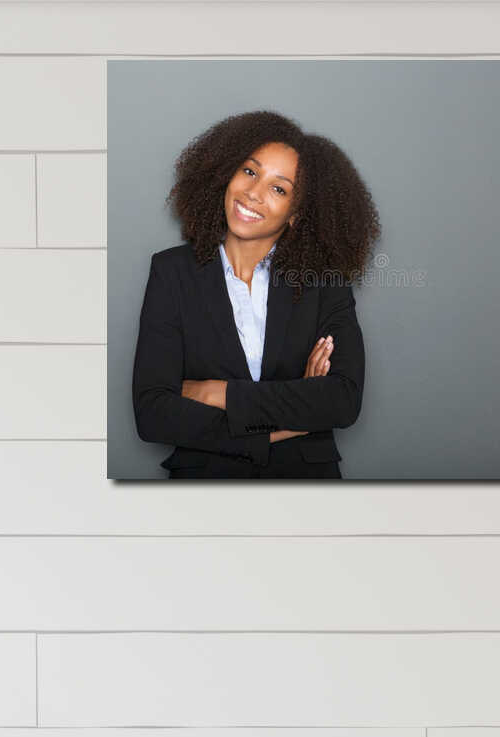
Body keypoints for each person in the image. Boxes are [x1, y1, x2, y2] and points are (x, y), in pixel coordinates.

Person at [130, 110, 380, 479]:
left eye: (279, 189)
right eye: (249, 171)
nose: (253, 193)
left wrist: (216, 393)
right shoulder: (172, 272)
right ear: (226, 173)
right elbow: (153, 413)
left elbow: (341, 400)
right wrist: (289, 415)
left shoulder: (323, 282)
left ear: (296, 213)